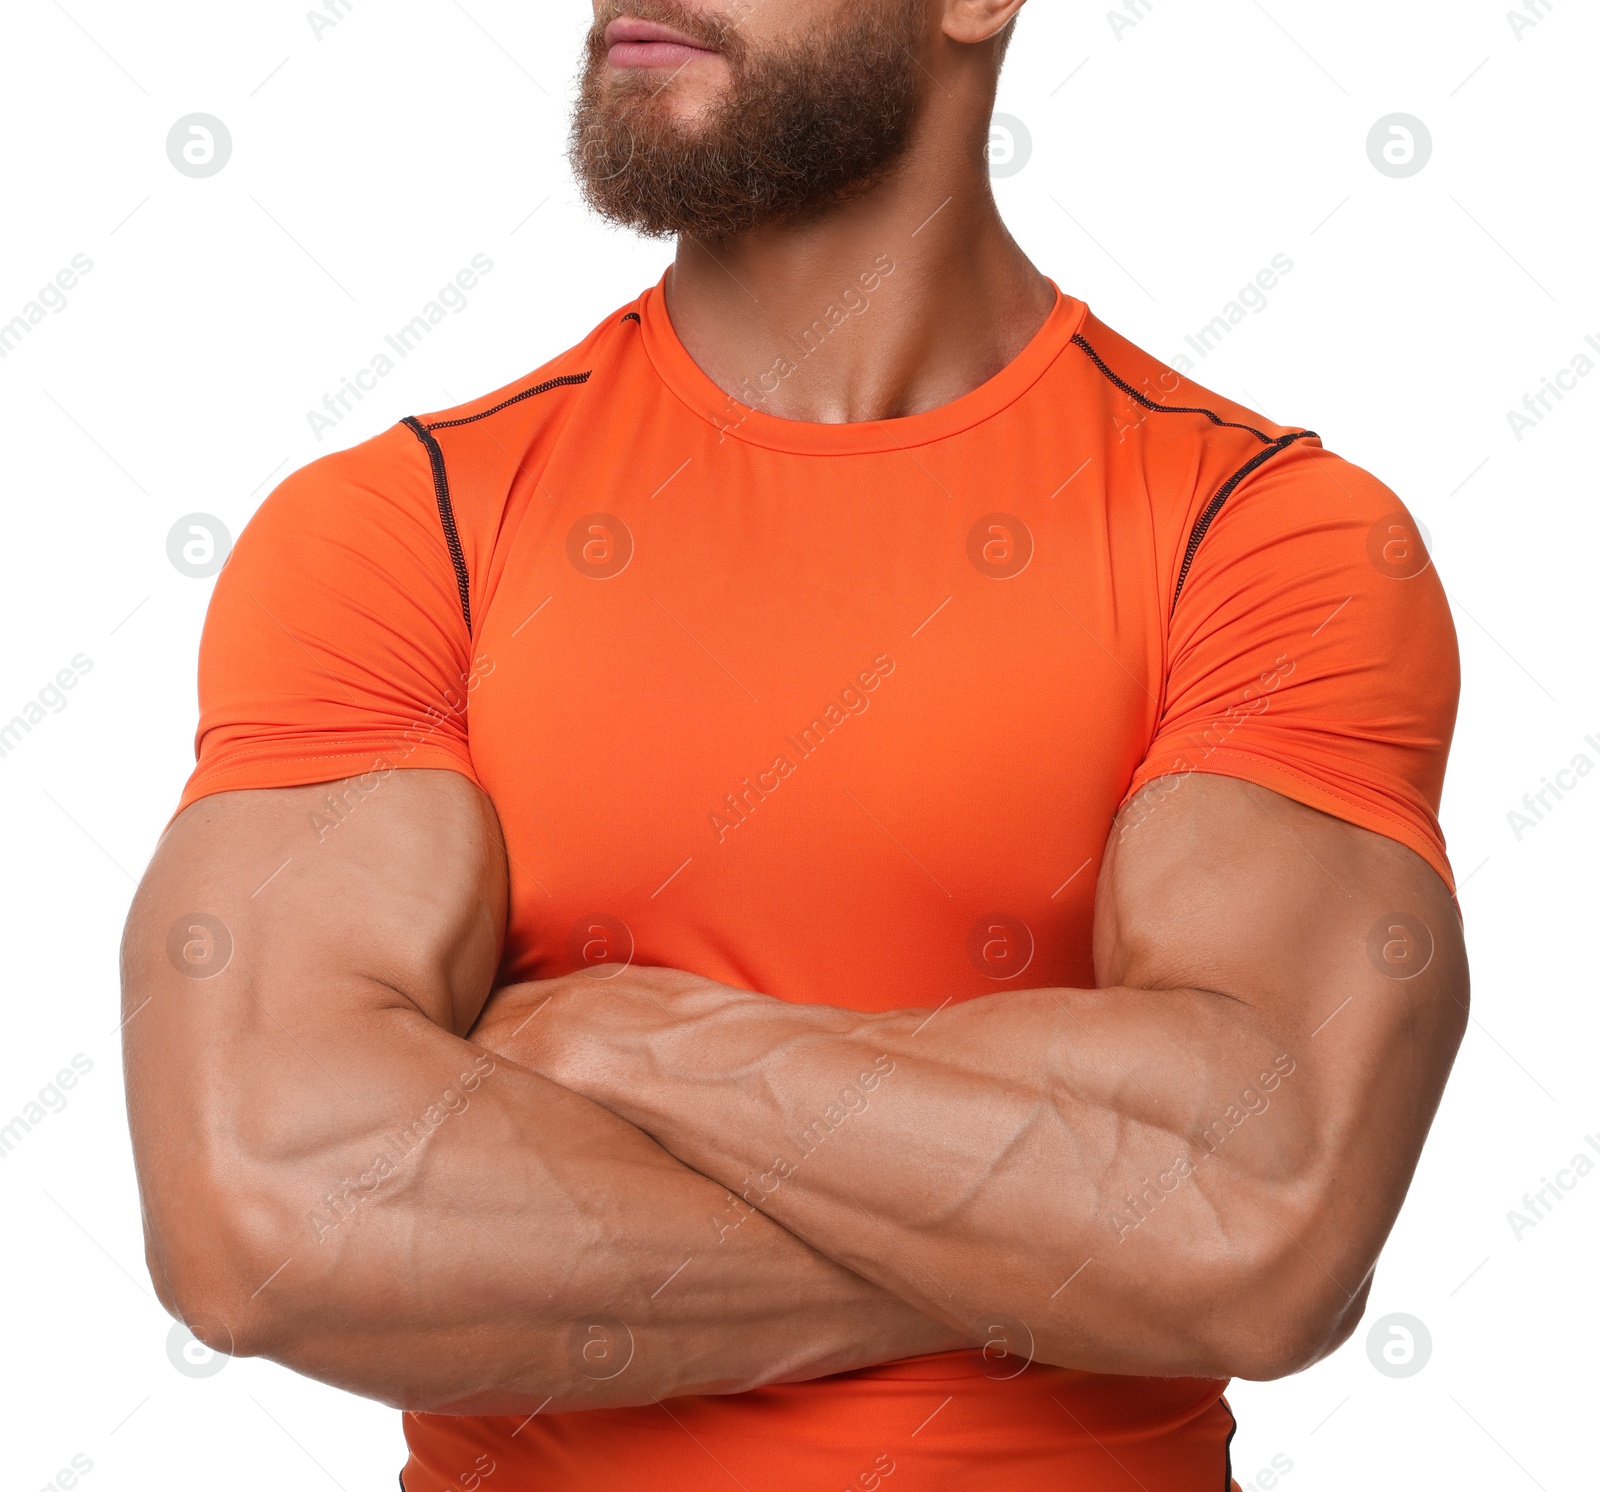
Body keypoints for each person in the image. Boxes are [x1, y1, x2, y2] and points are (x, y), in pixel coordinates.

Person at [121, 1, 1468, 1488]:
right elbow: (265, 1215)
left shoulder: (1268, 539)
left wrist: (614, 1037)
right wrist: (1072, 1244)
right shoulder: (403, 530)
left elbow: (1264, 1213)